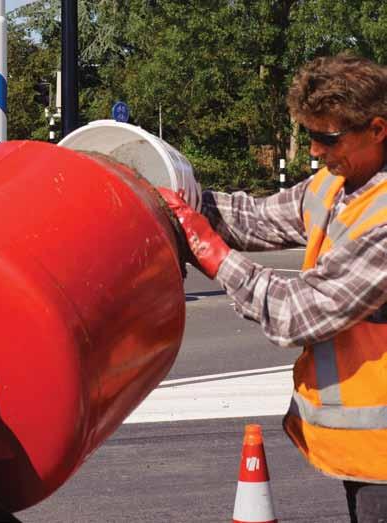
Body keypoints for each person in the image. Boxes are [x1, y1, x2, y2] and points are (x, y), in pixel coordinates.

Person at [158, 53, 387, 522]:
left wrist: (211, 253)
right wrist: (170, 199)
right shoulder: (335, 185)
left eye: (328, 138)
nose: (317, 152)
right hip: (366, 452)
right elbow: (257, 219)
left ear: (378, 129)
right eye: (311, 136)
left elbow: (298, 311)